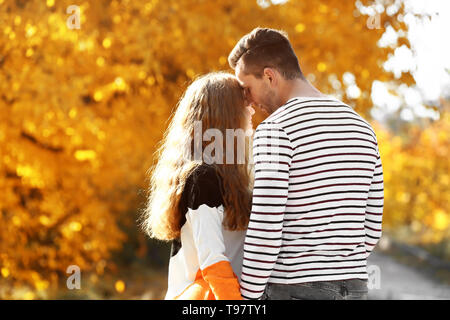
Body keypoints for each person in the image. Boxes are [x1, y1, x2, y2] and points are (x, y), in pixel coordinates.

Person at [228, 27, 384, 300]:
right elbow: (372, 229)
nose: (247, 100)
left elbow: (266, 228)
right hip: (355, 288)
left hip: (296, 290)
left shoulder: (275, 130)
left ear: (269, 76)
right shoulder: (363, 128)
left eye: (247, 88)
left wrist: (248, 298)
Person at [140, 72, 255, 300]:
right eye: (244, 105)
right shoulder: (203, 178)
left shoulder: (240, 174)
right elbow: (212, 260)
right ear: (226, 115)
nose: (251, 111)